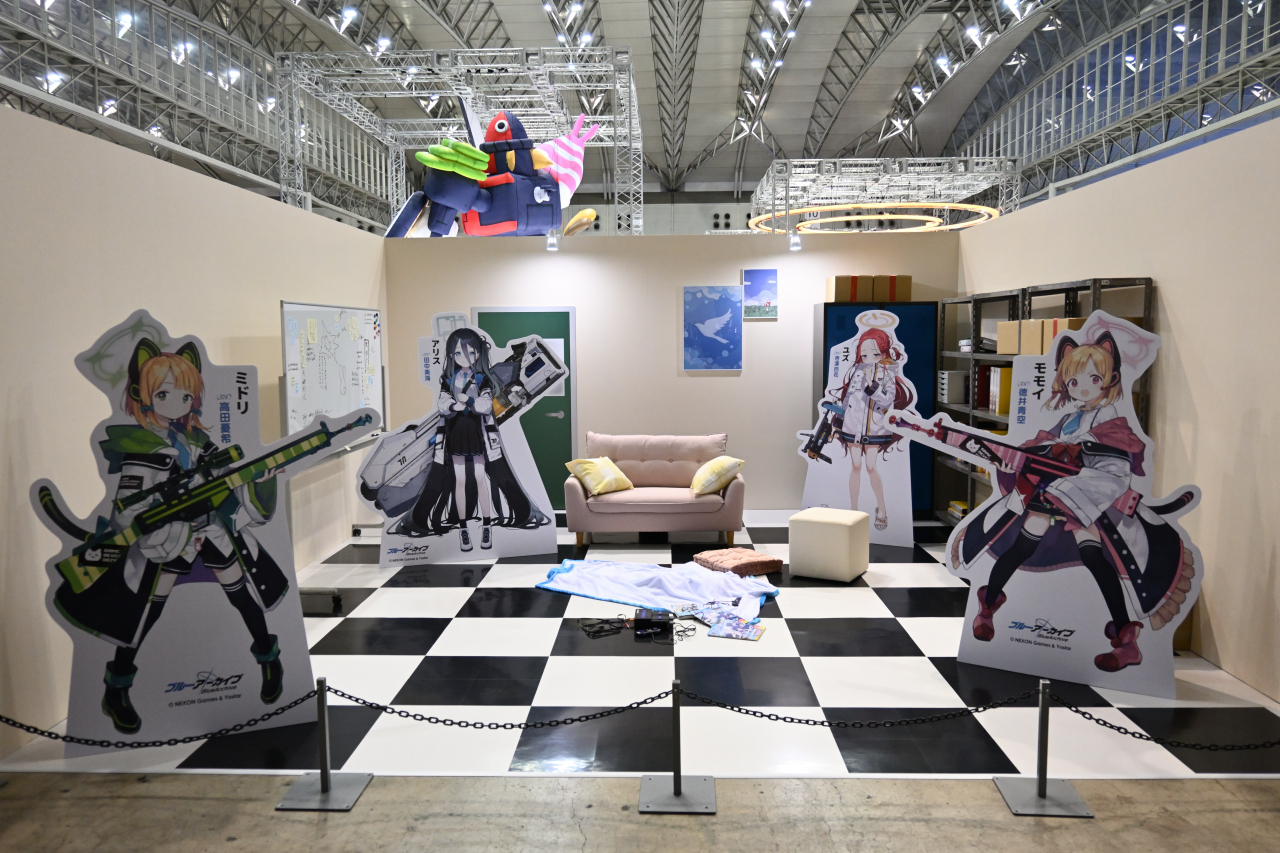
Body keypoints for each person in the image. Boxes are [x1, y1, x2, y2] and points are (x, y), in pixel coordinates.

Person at [962, 331, 1193, 672]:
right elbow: (1040, 449)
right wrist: (1021, 460)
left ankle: (1126, 639)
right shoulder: (1068, 418)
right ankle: (988, 607)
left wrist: (1079, 455)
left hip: (1089, 495)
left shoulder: (1112, 419)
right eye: (1073, 381)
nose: (1083, 388)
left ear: (1109, 379)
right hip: (1053, 491)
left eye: (1093, 379)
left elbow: (1117, 463)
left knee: (1094, 556)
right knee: (1022, 546)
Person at [96, 339, 284, 733]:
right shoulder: (140, 449)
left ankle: (270, 661)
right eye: (164, 394)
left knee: (242, 597)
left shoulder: (196, 441)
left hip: (210, 528)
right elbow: (127, 510)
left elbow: (228, 480)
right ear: (143, 395)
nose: (177, 403)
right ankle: (116, 687)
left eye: (185, 395)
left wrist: (260, 477)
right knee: (146, 613)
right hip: (170, 537)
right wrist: (164, 514)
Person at [394, 328, 549, 546]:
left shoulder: (482, 379)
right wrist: (453, 405)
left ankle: (488, 525)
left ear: (478, 354)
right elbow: (443, 403)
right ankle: (462, 528)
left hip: (479, 434)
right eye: (459, 353)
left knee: (480, 479)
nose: (465, 358)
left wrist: (467, 402)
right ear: (451, 354)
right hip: (454, 434)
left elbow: (485, 405)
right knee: (458, 480)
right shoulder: (448, 379)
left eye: (470, 353)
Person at [829, 328, 914, 531]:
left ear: (883, 353)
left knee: (870, 467)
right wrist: (838, 421)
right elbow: (848, 397)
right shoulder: (857, 370)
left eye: (874, 353)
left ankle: (882, 509)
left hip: (874, 427)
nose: (868, 358)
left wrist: (870, 383)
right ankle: (853, 511)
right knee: (855, 466)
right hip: (852, 425)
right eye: (864, 354)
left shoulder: (888, 373)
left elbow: (887, 400)